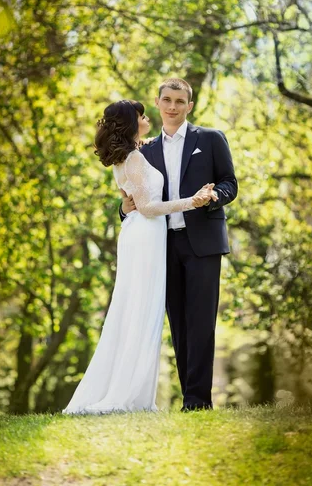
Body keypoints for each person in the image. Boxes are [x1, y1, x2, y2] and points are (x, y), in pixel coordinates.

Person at [62, 99, 216, 415]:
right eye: (141, 116)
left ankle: (136, 393)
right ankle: (127, 394)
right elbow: (145, 207)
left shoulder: (129, 155)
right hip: (145, 235)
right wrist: (193, 202)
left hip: (141, 236)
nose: (147, 119)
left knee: (136, 309)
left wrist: (126, 205)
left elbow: (128, 199)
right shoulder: (132, 158)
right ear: (132, 124)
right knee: (140, 309)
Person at [120, 78, 237, 411]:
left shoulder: (211, 139)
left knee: (202, 323)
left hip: (204, 243)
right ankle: (190, 397)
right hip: (161, 247)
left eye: (179, 101)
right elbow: (134, 194)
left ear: (190, 106)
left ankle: (197, 402)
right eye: (167, 100)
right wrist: (122, 207)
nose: (172, 107)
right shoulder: (144, 150)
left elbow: (230, 182)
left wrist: (215, 196)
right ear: (157, 103)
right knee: (179, 325)